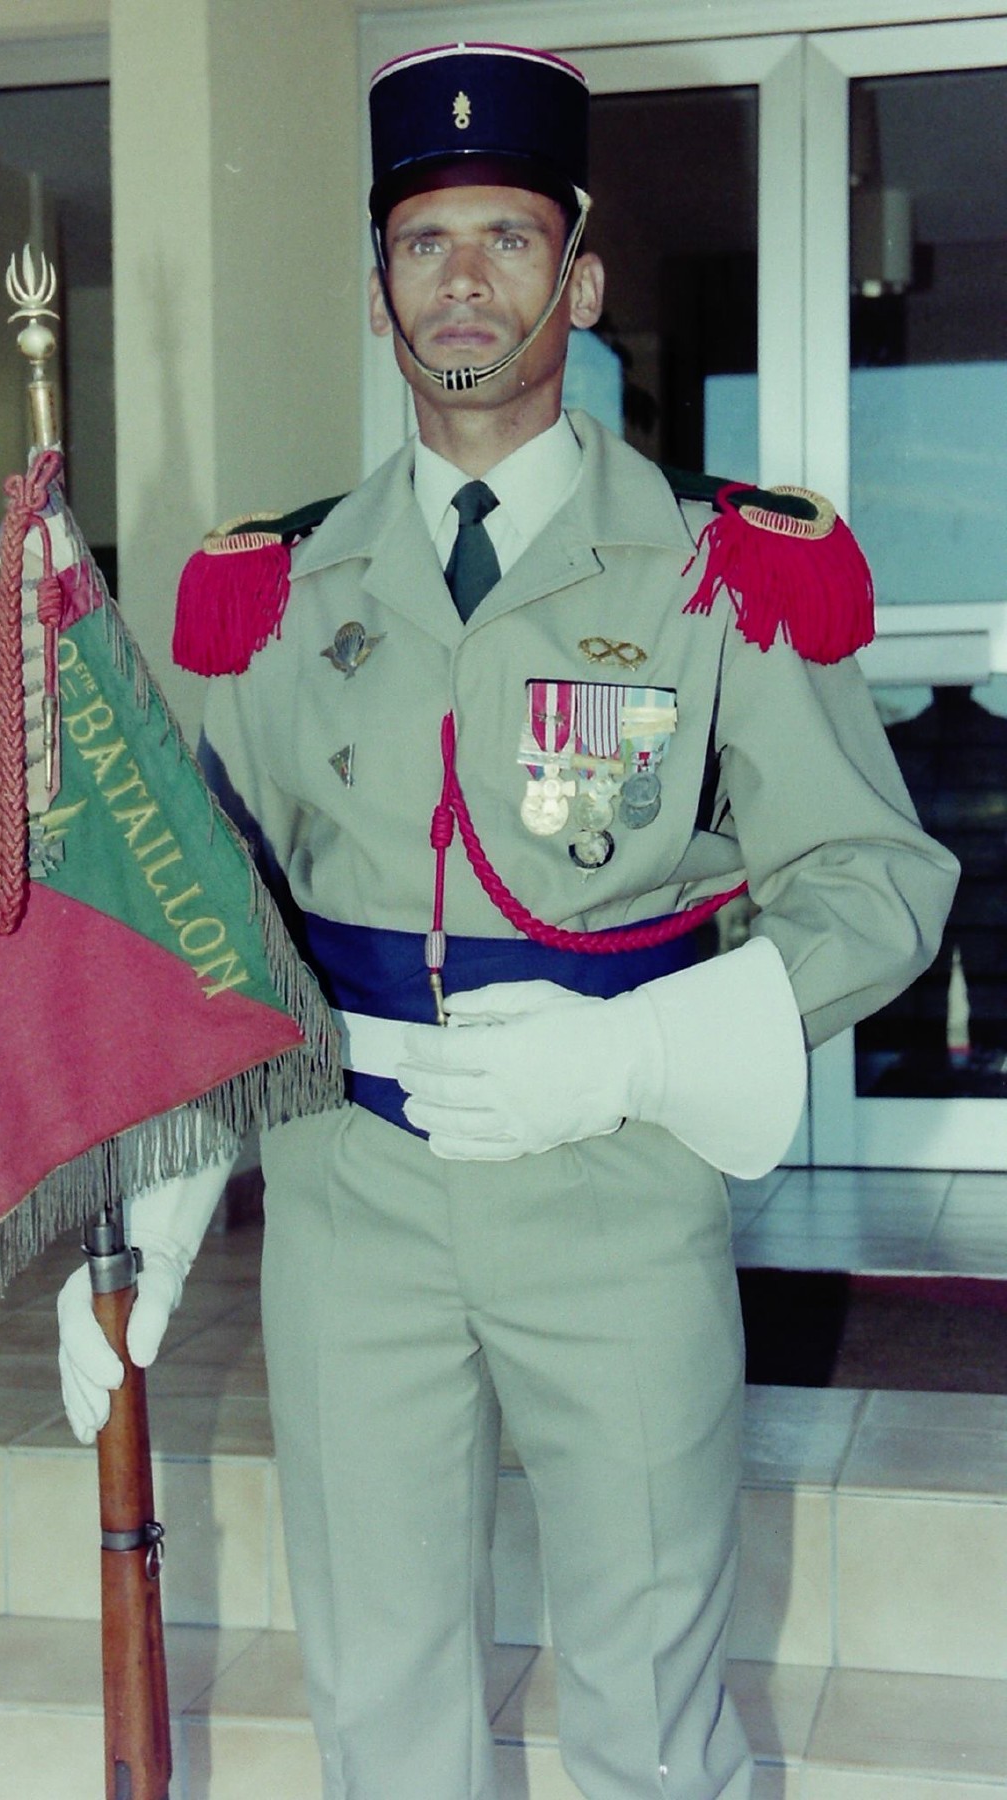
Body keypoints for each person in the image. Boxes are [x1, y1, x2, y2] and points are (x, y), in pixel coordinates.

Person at [58, 42, 958, 1799]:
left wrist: (637, 1051)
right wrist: (159, 1204)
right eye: (423, 242)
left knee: (649, 1704)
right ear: (378, 288)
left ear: (581, 280)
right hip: (350, 1198)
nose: (460, 280)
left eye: (508, 237)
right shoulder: (285, 588)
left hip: (613, 1188)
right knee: (382, 1710)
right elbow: (217, 919)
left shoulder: (718, 572)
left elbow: (880, 885)